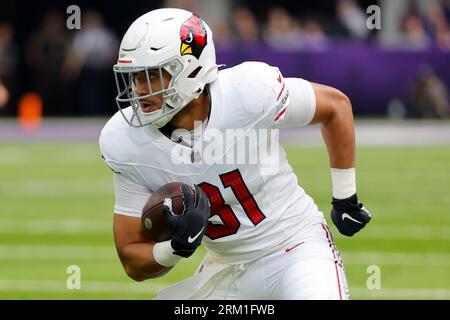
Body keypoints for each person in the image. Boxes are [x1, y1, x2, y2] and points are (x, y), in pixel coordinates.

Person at [99, 8, 372, 300]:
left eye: (152, 76)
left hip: (296, 247)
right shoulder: (126, 141)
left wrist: (345, 198)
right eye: (135, 77)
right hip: (225, 269)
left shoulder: (248, 91)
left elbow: (335, 107)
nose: (140, 90)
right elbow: (131, 258)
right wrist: (176, 247)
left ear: (190, 71)